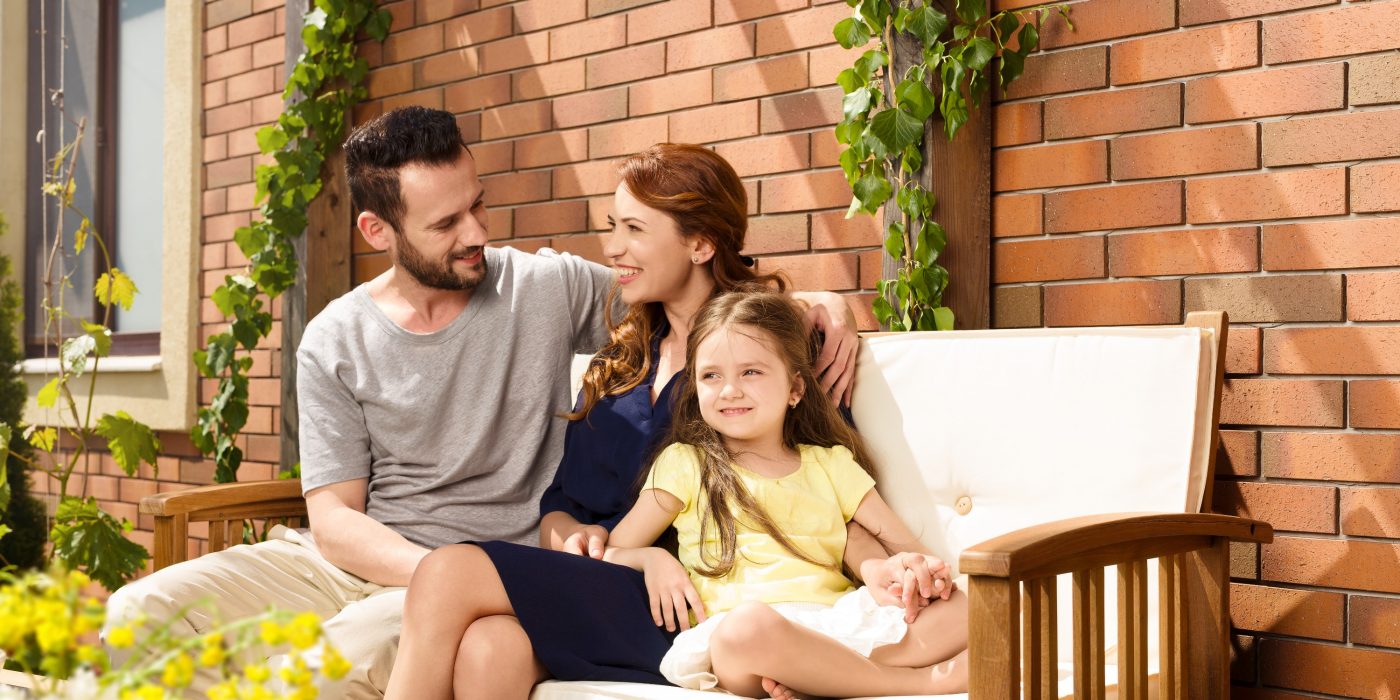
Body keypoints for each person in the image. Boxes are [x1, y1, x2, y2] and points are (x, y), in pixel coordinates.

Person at [103, 110, 860, 699]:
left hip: (493, 574)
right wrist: (443, 576)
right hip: (350, 565)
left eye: (478, 206)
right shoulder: (336, 336)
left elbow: (698, 296)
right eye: (445, 224)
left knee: (317, 672)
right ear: (377, 230)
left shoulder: (544, 286)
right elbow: (334, 520)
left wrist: (819, 304)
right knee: (134, 622)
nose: (477, 235)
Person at [383, 144, 941, 700]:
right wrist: (576, 539)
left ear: (700, 244)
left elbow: (822, 495)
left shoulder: (766, 359)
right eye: (613, 226)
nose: (613, 247)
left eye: (634, 229)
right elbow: (561, 505)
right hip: (615, 578)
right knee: (489, 647)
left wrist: (879, 569)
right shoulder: (616, 365)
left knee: (447, 573)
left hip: (698, 603)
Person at [604, 289, 970, 698]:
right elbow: (613, 551)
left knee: (972, 602)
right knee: (747, 628)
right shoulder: (684, 463)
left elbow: (912, 551)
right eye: (711, 376)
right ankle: (919, 681)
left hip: (835, 622)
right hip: (750, 639)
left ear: (795, 388)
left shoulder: (831, 464)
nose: (729, 390)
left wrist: (909, 571)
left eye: (751, 372)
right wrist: (652, 559)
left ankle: (818, 679)